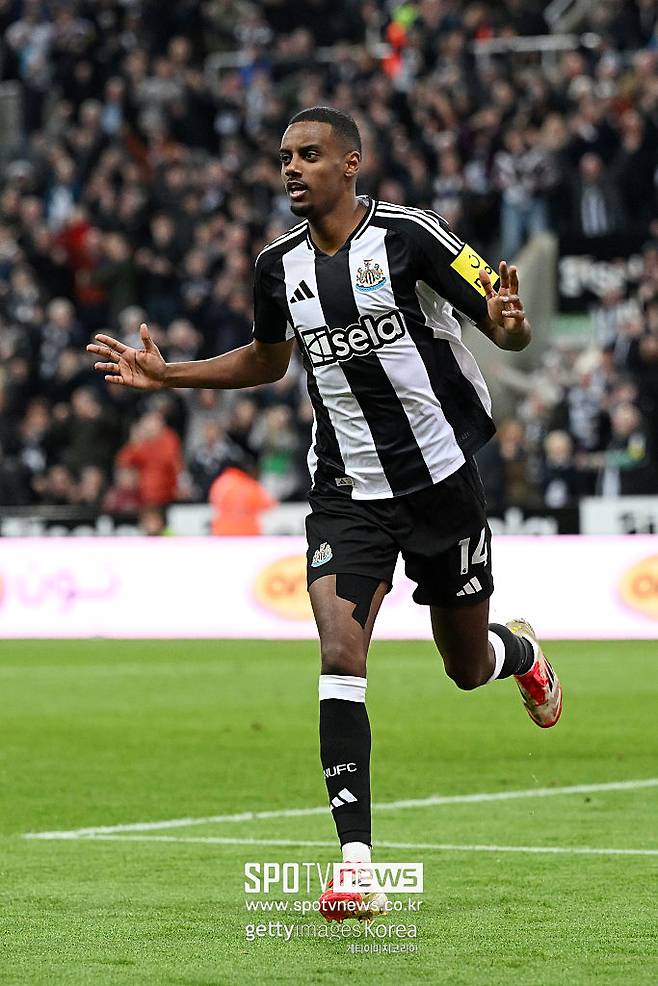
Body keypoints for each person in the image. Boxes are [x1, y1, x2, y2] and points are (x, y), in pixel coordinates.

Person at [87, 106, 562, 922]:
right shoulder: (278, 266)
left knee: (464, 666)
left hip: (441, 483)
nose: (292, 168)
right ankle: (355, 866)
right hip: (346, 492)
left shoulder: (411, 236)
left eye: (309, 154)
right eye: (284, 157)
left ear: (350, 163)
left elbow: (502, 319)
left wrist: (512, 329)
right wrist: (170, 376)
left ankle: (518, 652)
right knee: (341, 653)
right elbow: (267, 359)